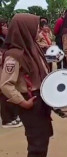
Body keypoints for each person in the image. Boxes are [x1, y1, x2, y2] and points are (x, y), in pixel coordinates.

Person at [0, 13, 53, 157]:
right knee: (36, 144)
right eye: (35, 27)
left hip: (40, 98)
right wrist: (22, 102)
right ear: (25, 29)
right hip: (30, 102)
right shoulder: (14, 55)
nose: (38, 31)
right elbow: (5, 84)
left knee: (43, 137)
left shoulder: (33, 48)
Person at [0, 19, 23, 128]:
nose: (6, 28)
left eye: (6, 25)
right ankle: (7, 119)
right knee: (4, 92)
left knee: (12, 90)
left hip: (4, 66)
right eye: (3, 26)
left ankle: (14, 115)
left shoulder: (5, 39)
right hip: (2, 68)